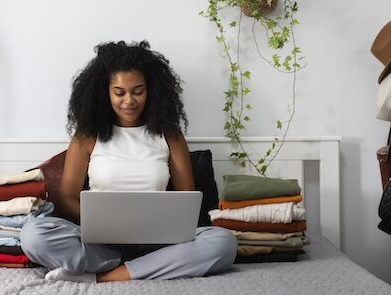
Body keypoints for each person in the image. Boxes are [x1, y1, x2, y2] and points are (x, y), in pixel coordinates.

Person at [21, 40, 236, 283]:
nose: (129, 101)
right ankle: (144, 268)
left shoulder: (170, 135)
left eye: (138, 91)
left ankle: (103, 277)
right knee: (33, 235)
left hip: (158, 243)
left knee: (223, 243)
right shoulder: (87, 136)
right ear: (105, 92)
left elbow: (187, 198)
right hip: (101, 243)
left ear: (151, 90)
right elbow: (67, 197)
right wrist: (100, 222)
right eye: (119, 92)